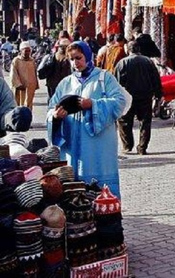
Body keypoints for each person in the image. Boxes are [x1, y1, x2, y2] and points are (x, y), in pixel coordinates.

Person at [47, 41, 126, 197]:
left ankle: (106, 213)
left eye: (79, 57)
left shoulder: (105, 78)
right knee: (73, 183)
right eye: (71, 59)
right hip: (71, 144)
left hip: (98, 145)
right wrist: (55, 116)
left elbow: (119, 102)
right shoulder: (66, 83)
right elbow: (51, 108)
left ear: (88, 56)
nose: (75, 63)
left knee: (101, 184)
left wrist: (93, 104)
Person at [114, 41, 162, 155]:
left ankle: (127, 145)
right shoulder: (148, 62)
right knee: (145, 122)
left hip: (127, 97)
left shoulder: (122, 63)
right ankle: (142, 147)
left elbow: (116, 82)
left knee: (124, 121)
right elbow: (156, 79)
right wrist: (158, 95)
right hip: (145, 96)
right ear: (139, 49)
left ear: (128, 50)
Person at [10, 41, 39, 108]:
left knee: (28, 106)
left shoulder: (32, 61)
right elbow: (13, 74)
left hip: (30, 88)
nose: (27, 53)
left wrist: (35, 85)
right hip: (20, 88)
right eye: (26, 51)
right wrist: (18, 84)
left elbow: (34, 73)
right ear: (21, 51)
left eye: (29, 51)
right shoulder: (16, 60)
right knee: (19, 106)